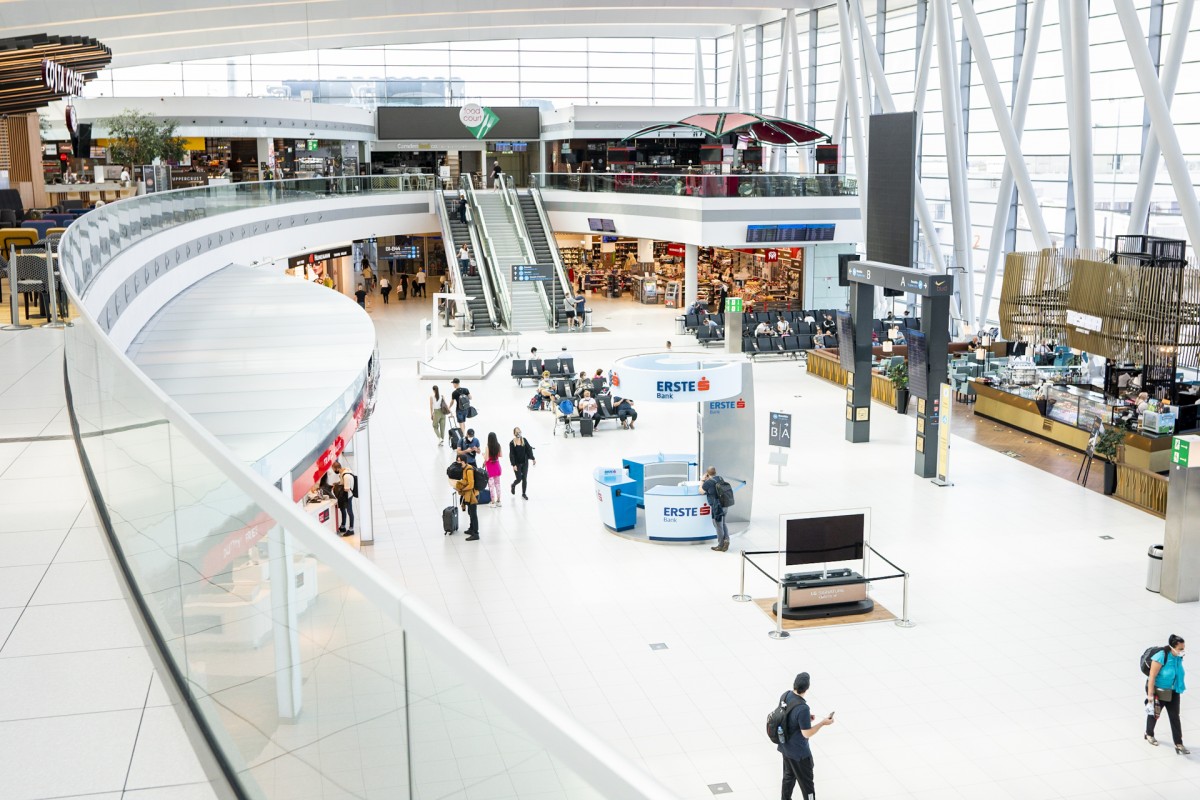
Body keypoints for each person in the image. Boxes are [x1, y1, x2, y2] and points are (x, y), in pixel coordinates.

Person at [777, 672, 835, 800]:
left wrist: (805, 719)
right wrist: (823, 723)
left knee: (788, 777)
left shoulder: (785, 695)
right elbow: (806, 733)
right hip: (800, 754)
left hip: (785, 747)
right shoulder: (803, 708)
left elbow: (786, 717)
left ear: (794, 684)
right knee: (807, 785)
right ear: (807, 688)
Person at [1146, 634, 1188, 753]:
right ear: (1173, 647)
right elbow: (1152, 676)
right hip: (1159, 692)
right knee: (1155, 714)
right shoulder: (1161, 657)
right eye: (1180, 648)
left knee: (1175, 717)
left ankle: (1179, 744)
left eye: (1183, 648)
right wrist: (1150, 695)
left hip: (1174, 691)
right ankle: (1149, 733)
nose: (1182, 651)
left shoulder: (1178, 657)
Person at [701, 466, 730, 551]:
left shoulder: (708, 483)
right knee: (723, 523)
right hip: (725, 504)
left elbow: (701, 490)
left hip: (717, 507)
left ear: (707, 473)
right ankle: (726, 540)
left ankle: (720, 545)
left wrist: (702, 480)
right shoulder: (720, 478)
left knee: (718, 525)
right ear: (715, 472)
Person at [453, 454, 480, 541]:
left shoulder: (468, 470)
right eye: (458, 460)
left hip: (473, 495)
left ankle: (476, 533)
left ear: (465, 461)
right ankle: (471, 529)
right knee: (470, 512)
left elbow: (471, 484)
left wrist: (462, 489)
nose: (459, 462)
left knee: (473, 514)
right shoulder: (464, 469)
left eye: (460, 461)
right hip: (469, 494)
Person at [509, 427, 535, 500]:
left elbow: (529, 449)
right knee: (519, 479)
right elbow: (511, 454)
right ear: (514, 434)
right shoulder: (512, 443)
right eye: (517, 432)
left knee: (524, 478)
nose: (518, 433)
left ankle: (524, 493)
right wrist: (513, 464)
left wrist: (533, 458)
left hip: (525, 462)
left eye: (519, 432)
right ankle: (513, 485)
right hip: (517, 464)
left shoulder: (524, 440)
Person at [331, 461, 355, 536]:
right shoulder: (344, 472)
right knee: (342, 509)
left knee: (349, 512)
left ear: (337, 468)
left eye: (334, 469)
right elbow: (342, 483)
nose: (334, 471)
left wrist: (338, 488)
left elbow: (347, 489)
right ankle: (343, 526)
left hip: (348, 496)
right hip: (344, 496)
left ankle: (351, 529)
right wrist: (338, 483)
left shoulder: (346, 476)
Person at [484, 432, 504, 507]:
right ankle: (498, 501)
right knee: (498, 484)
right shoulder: (498, 446)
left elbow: (486, 459)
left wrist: (484, 455)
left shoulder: (488, 447)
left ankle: (492, 502)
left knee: (491, 485)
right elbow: (500, 455)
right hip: (497, 466)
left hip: (490, 468)